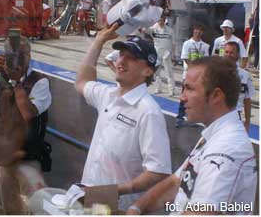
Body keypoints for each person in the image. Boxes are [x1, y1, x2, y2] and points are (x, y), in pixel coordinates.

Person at [126, 57, 257, 215]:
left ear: (216, 96)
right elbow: (177, 181)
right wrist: (137, 208)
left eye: (189, 88)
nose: (182, 98)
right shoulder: (214, 134)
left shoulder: (227, 150)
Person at [75, 25, 171, 210]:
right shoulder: (107, 95)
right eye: (121, 55)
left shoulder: (148, 112)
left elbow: (158, 171)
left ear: (148, 71)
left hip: (120, 206)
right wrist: (98, 42)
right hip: (89, 196)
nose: (121, 61)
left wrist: (114, 191)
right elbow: (82, 82)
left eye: (132, 58)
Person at [0, 32, 52, 214]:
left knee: (32, 209)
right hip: (6, 160)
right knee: (10, 210)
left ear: (29, 57)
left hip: (29, 160)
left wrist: (16, 83)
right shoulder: (1, 79)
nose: (15, 61)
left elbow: (28, 114)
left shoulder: (40, 82)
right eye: (10, 56)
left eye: (19, 56)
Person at [175, 24, 210, 127]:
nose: (197, 32)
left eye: (200, 30)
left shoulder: (205, 46)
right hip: (188, 75)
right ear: (193, 31)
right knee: (184, 96)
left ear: (202, 32)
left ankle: (194, 118)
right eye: (196, 30)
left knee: (197, 97)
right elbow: (185, 58)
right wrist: (193, 71)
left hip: (200, 76)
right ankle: (180, 117)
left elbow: (206, 60)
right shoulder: (187, 43)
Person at [223, 42, 254, 132]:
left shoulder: (245, 75)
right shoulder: (215, 72)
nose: (228, 55)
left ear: (238, 55)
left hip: (235, 117)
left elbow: (247, 101)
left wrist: (247, 122)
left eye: (231, 52)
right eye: (226, 52)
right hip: (216, 115)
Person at [147, 16, 175, 97]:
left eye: (162, 20)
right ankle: (158, 88)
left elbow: (173, 43)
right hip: (157, 52)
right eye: (159, 20)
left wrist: (173, 55)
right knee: (156, 71)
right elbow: (144, 29)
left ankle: (171, 90)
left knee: (169, 71)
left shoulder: (170, 30)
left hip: (167, 52)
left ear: (164, 21)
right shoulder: (154, 28)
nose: (161, 22)